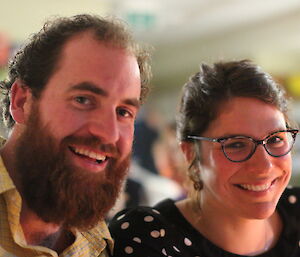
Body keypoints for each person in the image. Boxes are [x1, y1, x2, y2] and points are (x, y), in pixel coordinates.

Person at [109, 60, 300, 257]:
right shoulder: (149, 239)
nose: (264, 165)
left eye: (276, 139)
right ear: (191, 153)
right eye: (236, 144)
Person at [0, 14, 151, 256]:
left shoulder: (103, 244)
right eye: (82, 99)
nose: (109, 134)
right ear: (22, 101)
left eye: (123, 112)